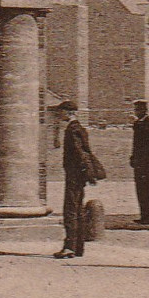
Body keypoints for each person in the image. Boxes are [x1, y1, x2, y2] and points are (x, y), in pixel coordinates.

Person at [55, 101, 101, 259]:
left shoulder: (72, 130)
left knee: (70, 209)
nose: (59, 115)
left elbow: (80, 153)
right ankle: (78, 247)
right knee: (78, 209)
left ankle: (69, 247)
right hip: (79, 174)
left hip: (74, 174)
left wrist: (87, 172)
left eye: (61, 112)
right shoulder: (79, 128)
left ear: (69, 113)